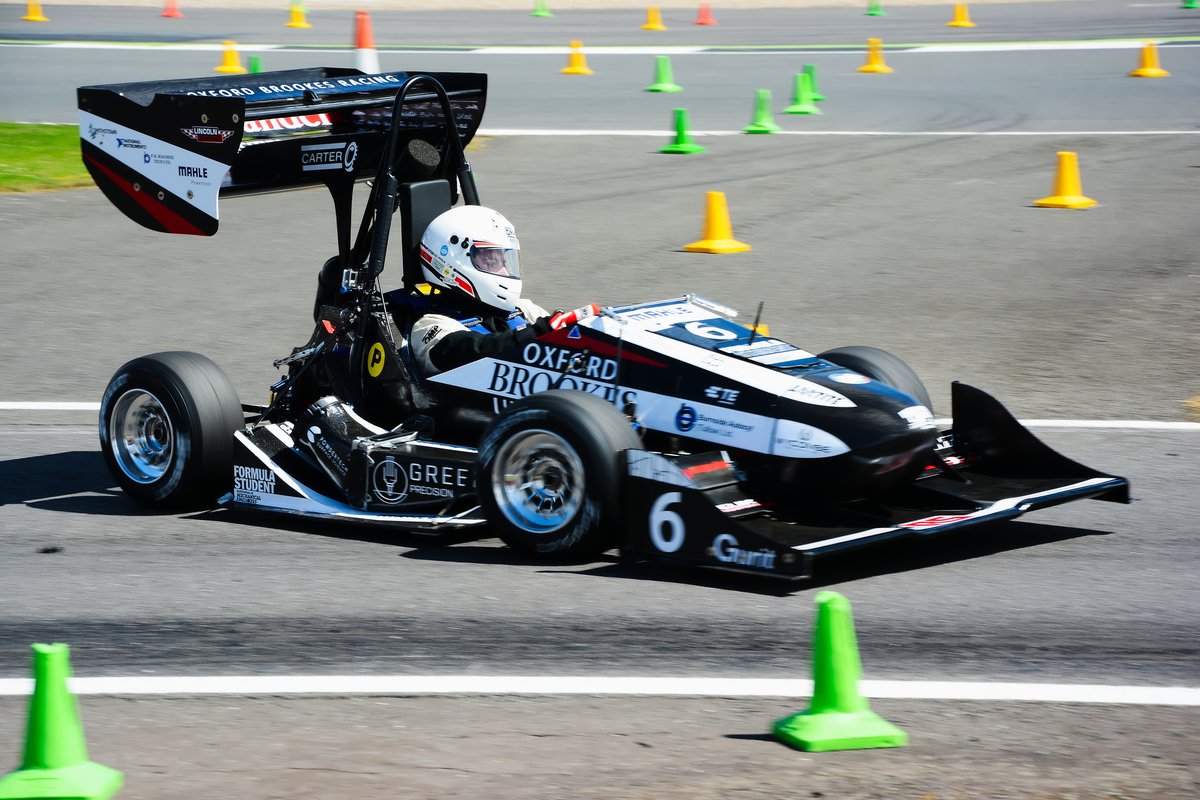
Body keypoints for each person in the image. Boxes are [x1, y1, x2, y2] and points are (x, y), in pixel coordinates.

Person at [409, 205, 598, 376]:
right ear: (450, 262)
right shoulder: (430, 325)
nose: (504, 272)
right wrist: (541, 330)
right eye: (491, 261)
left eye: (504, 261)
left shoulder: (522, 308)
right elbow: (471, 351)